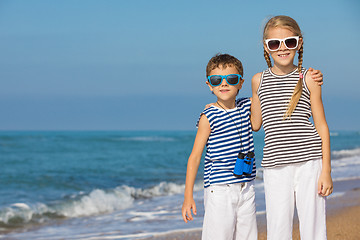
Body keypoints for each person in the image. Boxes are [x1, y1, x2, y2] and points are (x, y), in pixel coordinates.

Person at [250, 15, 333, 240]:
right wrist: (221, 104)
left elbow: (322, 126)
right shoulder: (258, 80)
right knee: (277, 229)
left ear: (299, 43)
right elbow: (256, 123)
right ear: (266, 48)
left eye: (290, 42)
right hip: (275, 166)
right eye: (275, 44)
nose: (283, 48)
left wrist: (326, 170)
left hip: (310, 162)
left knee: (314, 228)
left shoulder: (309, 78)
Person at [182, 53, 258, 240]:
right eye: (216, 80)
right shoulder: (208, 117)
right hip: (220, 189)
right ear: (209, 85)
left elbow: (261, 112)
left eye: (231, 79)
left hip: (246, 187)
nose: (224, 84)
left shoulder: (247, 105)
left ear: (241, 83)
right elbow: (195, 157)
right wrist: (188, 196)